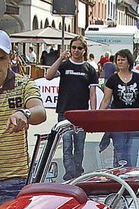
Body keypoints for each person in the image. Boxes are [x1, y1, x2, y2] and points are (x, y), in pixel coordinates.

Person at [0, 30, 46, 209]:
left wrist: (24, 113)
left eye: (2, 58)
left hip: (14, 178)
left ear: (10, 58)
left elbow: (40, 111)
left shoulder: (24, 85)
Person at [46, 36, 98, 181]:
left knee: (79, 146)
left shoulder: (89, 69)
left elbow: (92, 94)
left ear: (84, 50)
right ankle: (70, 174)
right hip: (65, 111)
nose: (76, 50)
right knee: (67, 145)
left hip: (81, 113)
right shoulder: (64, 66)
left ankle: (78, 172)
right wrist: (60, 58)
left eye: (79, 48)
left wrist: (93, 115)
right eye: (73, 47)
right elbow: (49, 75)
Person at [100, 49, 139, 168]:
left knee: (133, 153)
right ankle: (119, 178)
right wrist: (98, 116)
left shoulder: (137, 78)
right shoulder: (112, 79)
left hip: (135, 122)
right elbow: (106, 100)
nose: (120, 62)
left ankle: (131, 177)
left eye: (123, 59)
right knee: (120, 151)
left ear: (129, 61)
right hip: (118, 122)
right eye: (118, 60)